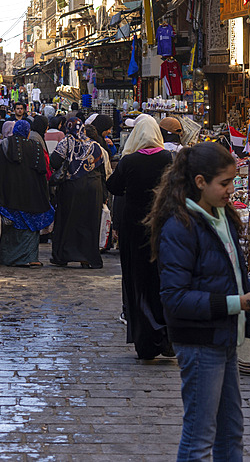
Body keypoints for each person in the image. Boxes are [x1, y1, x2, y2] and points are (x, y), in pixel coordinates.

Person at [149, 142, 250, 461]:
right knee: (200, 437)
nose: (231, 189)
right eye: (224, 183)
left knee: (231, 431)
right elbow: (175, 298)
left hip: (223, 337)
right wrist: (240, 303)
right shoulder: (181, 225)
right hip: (200, 343)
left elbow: (227, 280)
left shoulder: (221, 218)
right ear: (201, 182)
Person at [107, 115, 172, 359]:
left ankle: (145, 342)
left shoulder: (129, 161)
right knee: (162, 278)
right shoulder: (168, 158)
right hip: (163, 225)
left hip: (134, 228)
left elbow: (113, 186)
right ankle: (167, 338)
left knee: (137, 280)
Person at [0, 120, 53, 268]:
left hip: (9, 194)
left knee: (10, 227)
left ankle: (5, 257)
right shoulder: (36, 146)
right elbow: (42, 171)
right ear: (28, 132)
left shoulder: (5, 145)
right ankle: (29, 257)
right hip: (31, 194)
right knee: (30, 227)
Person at [49, 118, 107, 269]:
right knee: (89, 222)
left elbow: (54, 162)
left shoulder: (66, 142)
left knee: (68, 220)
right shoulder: (95, 145)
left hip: (72, 186)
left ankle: (64, 255)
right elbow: (101, 170)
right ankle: (88, 258)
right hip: (93, 187)